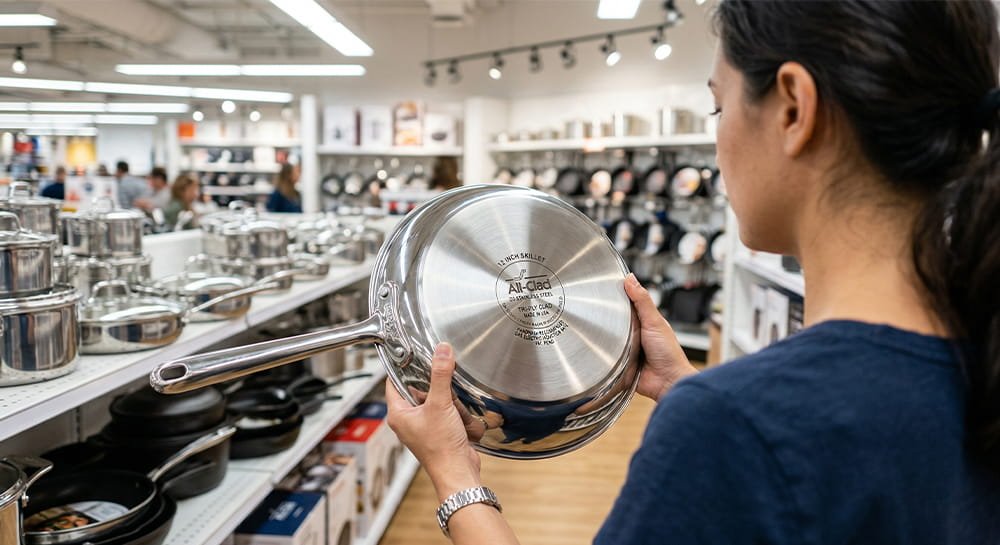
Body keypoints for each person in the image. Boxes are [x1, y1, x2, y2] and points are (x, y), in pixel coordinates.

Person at [384, 2, 1000, 544]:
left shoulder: (734, 425)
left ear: (793, 109)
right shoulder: (978, 361)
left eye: (718, 104)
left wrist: (454, 476)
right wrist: (689, 389)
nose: (719, 136)